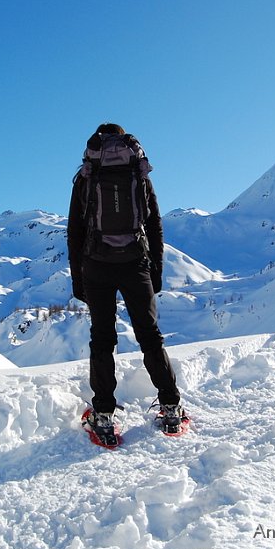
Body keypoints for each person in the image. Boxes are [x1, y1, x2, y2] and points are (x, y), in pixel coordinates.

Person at [67, 122, 185, 442]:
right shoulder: (138, 175)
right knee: (150, 335)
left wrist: (79, 278)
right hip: (136, 264)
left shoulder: (86, 177)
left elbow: (75, 231)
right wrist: (155, 269)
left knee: (103, 338)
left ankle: (103, 414)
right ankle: (171, 406)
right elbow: (154, 223)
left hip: (96, 265)